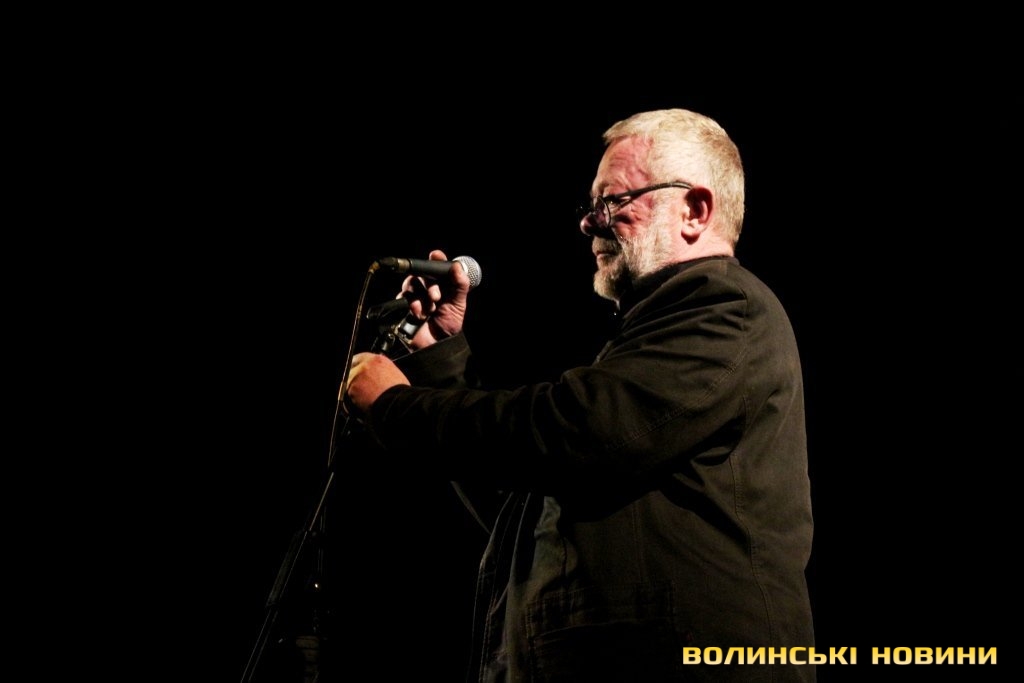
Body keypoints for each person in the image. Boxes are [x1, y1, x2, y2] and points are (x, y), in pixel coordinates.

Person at [344, 108, 815, 682]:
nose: (591, 223)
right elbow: (533, 498)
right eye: (591, 206)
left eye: (613, 201)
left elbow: (571, 430)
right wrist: (437, 357)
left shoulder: (725, 308)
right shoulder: (654, 337)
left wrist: (395, 407)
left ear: (694, 210)